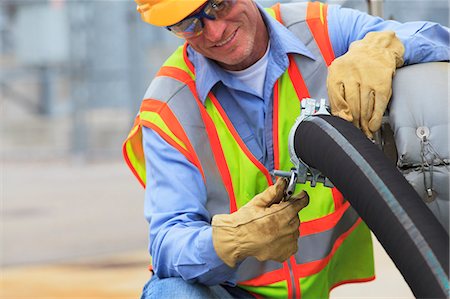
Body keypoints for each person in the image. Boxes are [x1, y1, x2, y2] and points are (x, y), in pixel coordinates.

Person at [123, 0, 450, 298]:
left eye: (219, 5)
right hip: (226, 292)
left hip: (313, 290)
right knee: (171, 293)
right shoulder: (169, 106)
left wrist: (388, 46)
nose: (215, 30)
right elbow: (166, 242)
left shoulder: (320, 30)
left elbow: (438, 39)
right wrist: (227, 243)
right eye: (188, 24)